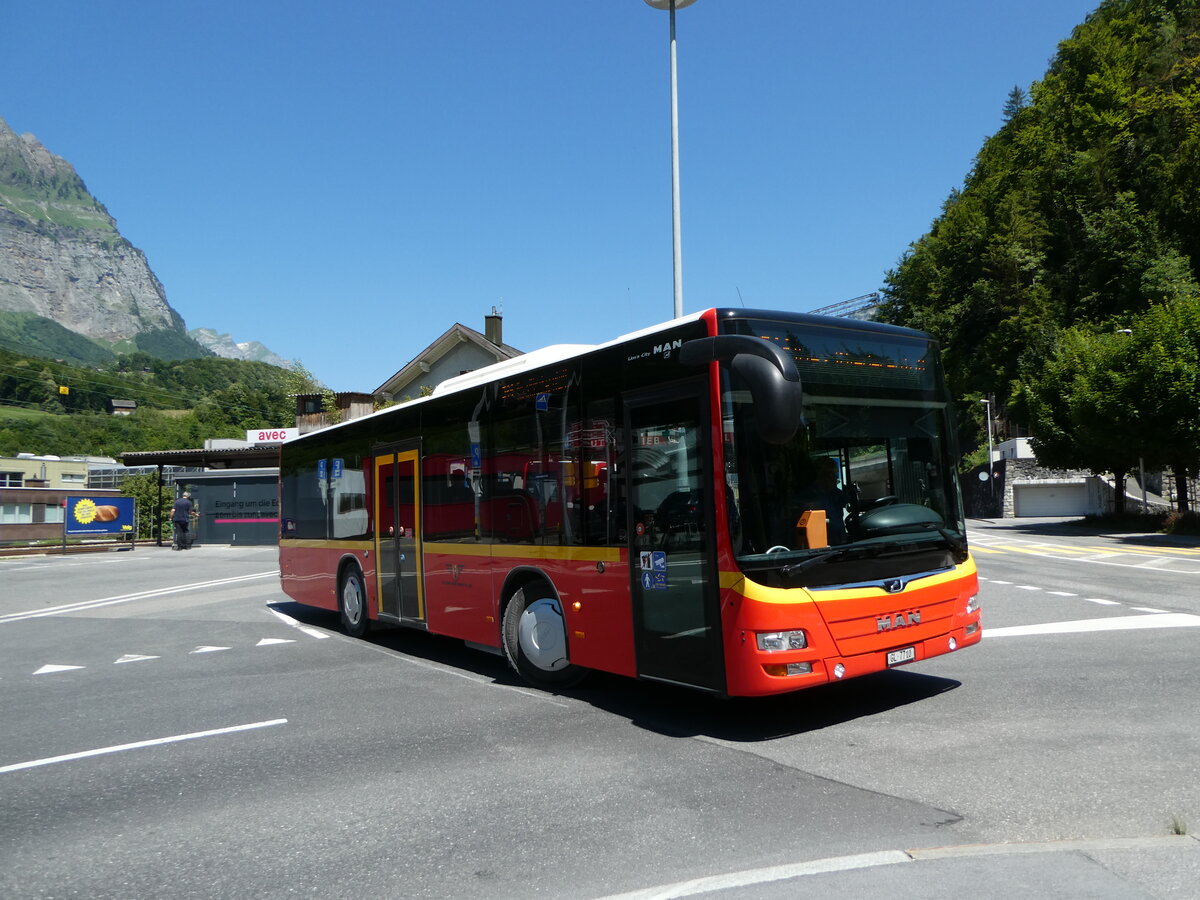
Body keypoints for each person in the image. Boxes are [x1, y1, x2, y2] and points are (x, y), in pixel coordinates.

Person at [797, 457, 850, 544]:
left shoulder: (836, 492)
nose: (836, 477)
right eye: (833, 474)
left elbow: (850, 503)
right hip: (822, 542)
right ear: (823, 475)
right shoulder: (808, 495)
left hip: (840, 539)